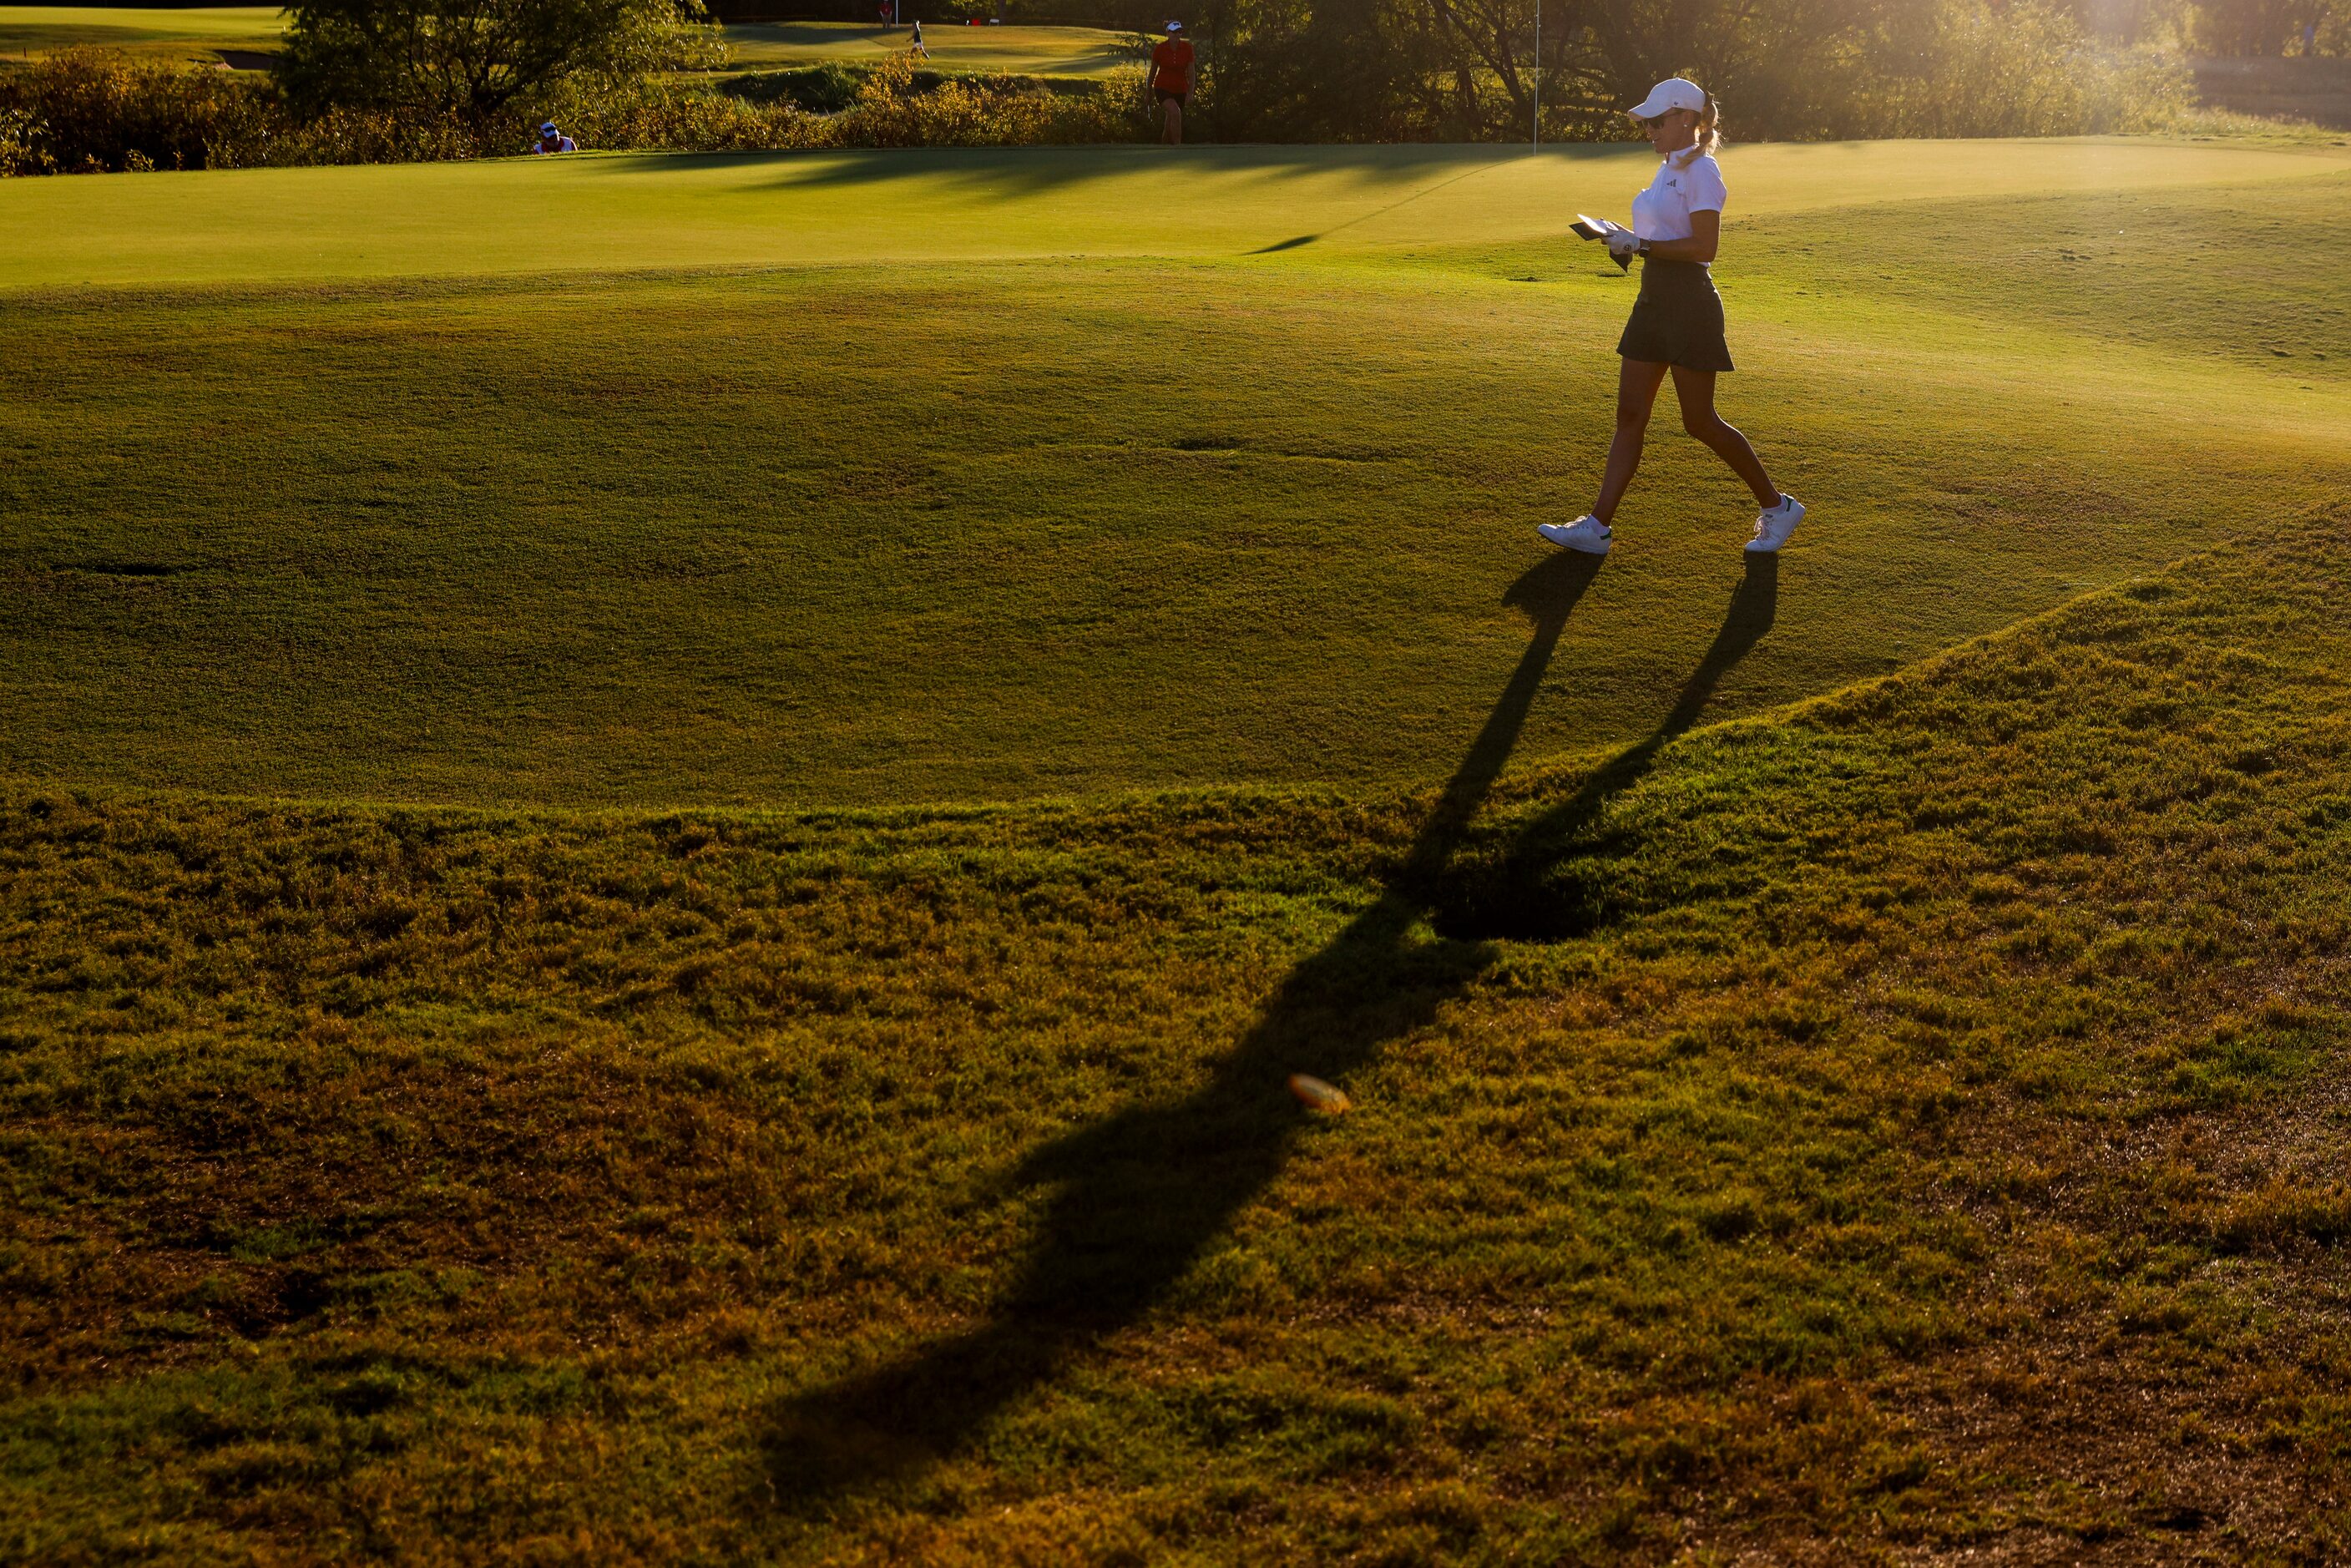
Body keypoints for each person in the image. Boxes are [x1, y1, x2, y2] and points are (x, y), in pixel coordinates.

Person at [1539, 78, 1802, 558]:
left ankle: (1777, 506)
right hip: (1654, 300)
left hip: (1689, 306)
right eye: (1648, 123)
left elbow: (1705, 248)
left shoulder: (1703, 171)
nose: (1650, 131)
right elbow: (1662, 236)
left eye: (1657, 122)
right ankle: (1597, 528)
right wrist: (1625, 236)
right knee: (1630, 414)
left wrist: (1640, 244)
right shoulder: (1668, 168)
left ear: (1686, 119)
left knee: (1699, 421)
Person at [1150, 21, 1193, 145]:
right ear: (1168, 33)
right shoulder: (1160, 49)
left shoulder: (1187, 48)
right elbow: (1152, 73)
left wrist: (1190, 92)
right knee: (1175, 112)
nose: (1177, 35)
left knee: (1170, 123)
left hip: (1180, 90)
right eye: (1174, 32)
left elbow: (1191, 73)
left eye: (1179, 32)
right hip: (1162, 88)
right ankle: (1178, 148)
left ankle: (1163, 150)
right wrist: (1148, 92)